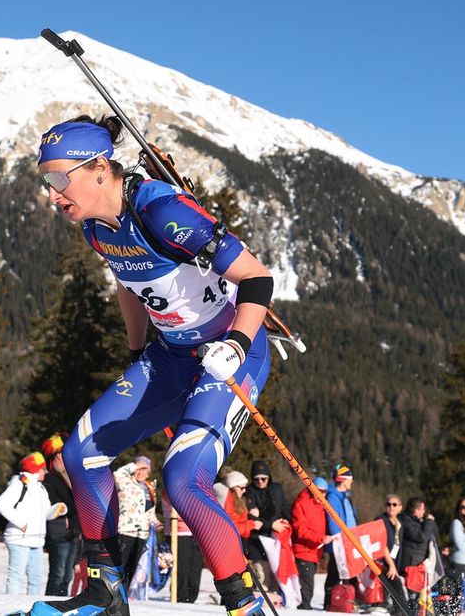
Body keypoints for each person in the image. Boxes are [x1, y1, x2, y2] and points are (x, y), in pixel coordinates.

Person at [31, 116, 276, 616]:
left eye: (58, 180)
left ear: (100, 169)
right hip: (168, 356)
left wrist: (233, 343)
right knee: (82, 453)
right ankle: (105, 593)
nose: (53, 195)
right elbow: (128, 282)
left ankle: (244, 606)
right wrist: (137, 351)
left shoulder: (163, 212)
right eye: (46, 182)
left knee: (183, 480)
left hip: (232, 354)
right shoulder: (97, 228)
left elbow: (257, 278)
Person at [0, 451, 59, 595]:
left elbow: (45, 514)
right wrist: (20, 522)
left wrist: (57, 510)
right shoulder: (19, 484)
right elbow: (2, 504)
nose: (46, 471)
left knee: (36, 579)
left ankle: (32, 608)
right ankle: (10, 606)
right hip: (19, 538)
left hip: (36, 540)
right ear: (36, 469)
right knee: (16, 575)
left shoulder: (41, 488)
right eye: (43, 468)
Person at [43, 433, 83, 597]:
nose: (64, 458)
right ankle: (51, 604)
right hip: (59, 531)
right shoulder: (51, 479)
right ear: (53, 458)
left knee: (67, 575)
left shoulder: (71, 476)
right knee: (58, 574)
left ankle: (61, 605)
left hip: (73, 532)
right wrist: (65, 508)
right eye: (60, 454)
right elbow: (50, 504)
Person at [115, 455, 160, 587]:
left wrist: (156, 522)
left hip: (142, 533)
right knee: (121, 565)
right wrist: (135, 465)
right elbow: (116, 474)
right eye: (139, 469)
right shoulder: (124, 482)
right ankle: (116, 593)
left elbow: (150, 511)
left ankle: (127, 596)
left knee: (134, 567)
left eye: (144, 469)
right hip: (126, 530)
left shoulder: (150, 487)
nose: (141, 472)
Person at [246, 460, 290, 592]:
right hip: (257, 542)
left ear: (268, 478)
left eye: (263, 479)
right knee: (262, 576)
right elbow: (253, 520)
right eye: (257, 479)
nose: (260, 481)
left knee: (277, 575)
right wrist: (271, 524)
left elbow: (284, 507)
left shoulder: (276, 489)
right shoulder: (249, 492)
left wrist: (287, 520)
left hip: (276, 540)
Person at [290, 477, 329, 610]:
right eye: (318, 491)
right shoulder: (301, 503)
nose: (321, 494)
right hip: (303, 551)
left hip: (314, 552)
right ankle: (304, 610)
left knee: (309, 585)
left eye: (324, 492)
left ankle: (305, 608)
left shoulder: (321, 506)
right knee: (306, 586)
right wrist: (320, 538)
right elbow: (300, 530)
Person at [324, 464, 358, 610]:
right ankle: (330, 603)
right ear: (343, 479)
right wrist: (340, 538)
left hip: (348, 542)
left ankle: (346, 602)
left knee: (348, 573)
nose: (352, 481)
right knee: (335, 573)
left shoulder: (345, 496)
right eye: (350, 478)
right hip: (339, 543)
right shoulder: (333, 497)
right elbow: (333, 520)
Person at [374, 493, 408, 616]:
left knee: (395, 599)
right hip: (382, 564)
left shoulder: (399, 524)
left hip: (392, 565)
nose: (391, 507)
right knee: (399, 599)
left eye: (394, 504)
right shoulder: (380, 520)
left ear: (400, 507)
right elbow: (381, 545)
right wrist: (391, 565)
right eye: (389, 504)